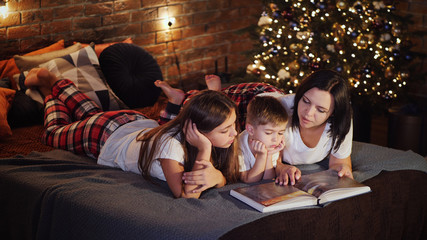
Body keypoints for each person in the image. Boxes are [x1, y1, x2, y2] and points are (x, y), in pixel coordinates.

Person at [24, 68, 240, 199]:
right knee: (51, 134)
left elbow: (223, 176)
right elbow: (186, 195)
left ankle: (49, 85)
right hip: (102, 134)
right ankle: (50, 88)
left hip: (134, 123)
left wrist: (218, 177)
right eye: (225, 129)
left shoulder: (190, 130)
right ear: (198, 131)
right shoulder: (172, 146)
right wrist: (205, 150)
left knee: (90, 112)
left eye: (233, 125)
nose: (235, 133)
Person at [156, 70, 353, 186]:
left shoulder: (341, 124)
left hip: (266, 107)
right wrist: (282, 167)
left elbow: (340, 163)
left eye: (320, 109)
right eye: (305, 101)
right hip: (257, 104)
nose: (308, 113)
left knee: (215, 113)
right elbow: (275, 159)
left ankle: (214, 92)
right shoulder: (284, 110)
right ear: (298, 95)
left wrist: (342, 172)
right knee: (206, 115)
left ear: (333, 113)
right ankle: (183, 98)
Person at [237, 96, 288, 183]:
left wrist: (269, 155)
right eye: (268, 133)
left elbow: (268, 179)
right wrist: (261, 156)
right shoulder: (239, 145)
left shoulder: (271, 144)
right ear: (251, 130)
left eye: (280, 133)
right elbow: (248, 179)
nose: (275, 139)